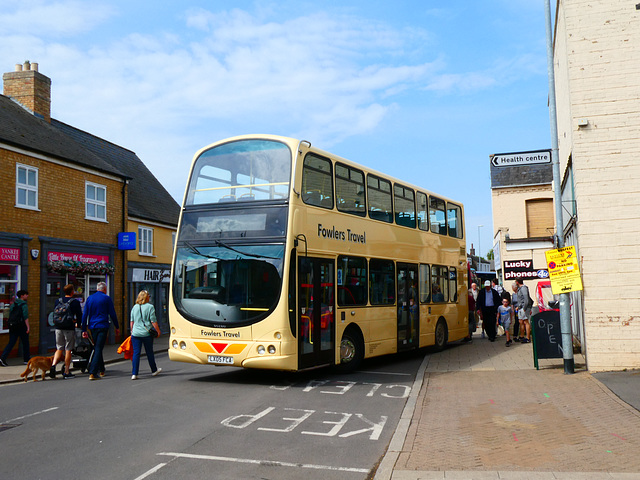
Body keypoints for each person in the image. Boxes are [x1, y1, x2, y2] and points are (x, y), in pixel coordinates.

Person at [81, 282, 120, 380]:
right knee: (98, 348)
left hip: (92, 326)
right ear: (104, 289)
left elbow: (85, 314)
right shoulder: (106, 298)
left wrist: (83, 329)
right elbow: (112, 313)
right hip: (103, 325)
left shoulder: (90, 298)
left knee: (97, 347)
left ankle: (102, 369)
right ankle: (93, 372)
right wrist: (117, 326)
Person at [50, 284, 83, 379]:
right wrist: (79, 325)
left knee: (59, 348)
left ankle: (53, 365)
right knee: (68, 349)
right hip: (69, 328)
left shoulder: (58, 301)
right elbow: (79, 315)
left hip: (58, 327)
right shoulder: (75, 302)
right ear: (72, 291)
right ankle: (66, 371)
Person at [129, 290, 162, 380]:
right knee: (149, 352)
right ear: (146, 297)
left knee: (136, 353)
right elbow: (153, 321)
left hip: (135, 334)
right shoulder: (150, 307)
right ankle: (154, 370)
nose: (149, 297)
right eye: (149, 296)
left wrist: (132, 331)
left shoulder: (134, 307)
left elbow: (132, 321)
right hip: (146, 334)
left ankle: (134, 374)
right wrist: (158, 331)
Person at [0, 290, 30, 366]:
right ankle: (26, 359)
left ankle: (3, 358)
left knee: (11, 342)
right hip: (21, 326)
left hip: (13, 325)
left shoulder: (14, 304)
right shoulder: (24, 305)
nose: (27, 296)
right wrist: (28, 327)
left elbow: (9, 313)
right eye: (26, 295)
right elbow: (25, 317)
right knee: (25, 343)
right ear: (22, 296)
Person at [515, 277, 532, 343]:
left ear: (517, 282)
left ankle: (528, 338)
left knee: (526, 322)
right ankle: (522, 336)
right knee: (521, 321)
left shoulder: (524, 288)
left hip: (524, 308)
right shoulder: (520, 289)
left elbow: (526, 299)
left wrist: (524, 308)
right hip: (520, 307)